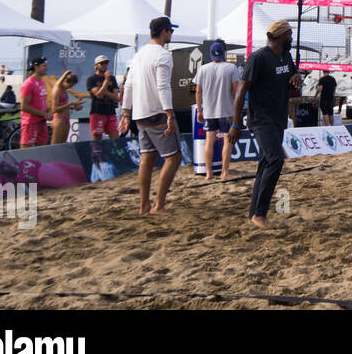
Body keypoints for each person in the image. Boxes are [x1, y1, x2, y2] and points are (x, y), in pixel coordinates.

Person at [234, 19, 301, 228]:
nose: (291, 38)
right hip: (261, 119)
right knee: (275, 160)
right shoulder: (258, 58)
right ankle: (259, 213)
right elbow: (240, 93)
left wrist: (297, 76)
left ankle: (255, 213)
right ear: (281, 36)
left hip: (278, 117)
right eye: (289, 34)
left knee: (265, 164)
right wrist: (236, 125)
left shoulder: (286, 56)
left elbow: (292, 78)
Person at [119, 16, 182, 216]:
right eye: (170, 31)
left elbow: (128, 85)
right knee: (174, 158)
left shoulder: (139, 54)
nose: (171, 34)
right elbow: (162, 86)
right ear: (164, 32)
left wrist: (126, 113)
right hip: (157, 112)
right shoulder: (163, 55)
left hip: (140, 114)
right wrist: (170, 113)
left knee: (147, 158)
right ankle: (159, 205)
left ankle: (144, 206)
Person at [194, 40, 242, 181]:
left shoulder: (203, 69)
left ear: (210, 54)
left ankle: (209, 174)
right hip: (226, 111)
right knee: (227, 141)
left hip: (209, 111)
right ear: (223, 53)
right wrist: (238, 111)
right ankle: (224, 173)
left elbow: (198, 92)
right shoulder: (231, 67)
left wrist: (199, 110)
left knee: (209, 141)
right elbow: (236, 91)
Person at [86, 55, 120, 140]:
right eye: (102, 63)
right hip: (97, 112)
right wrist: (106, 81)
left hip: (111, 112)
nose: (105, 65)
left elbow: (116, 97)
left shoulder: (112, 78)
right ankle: (97, 153)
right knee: (97, 142)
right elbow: (99, 95)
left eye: (106, 63)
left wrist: (104, 91)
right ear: (96, 65)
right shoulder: (92, 79)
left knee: (115, 139)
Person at [19, 57, 50, 147]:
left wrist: (48, 112)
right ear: (36, 67)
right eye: (44, 66)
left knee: (41, 149)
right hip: (30, 122)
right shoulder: (28, 84)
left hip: (41, 122)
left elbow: (42, 102)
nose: (46, 68)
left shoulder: (41, 81)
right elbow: (24, 106)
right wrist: (43, 114)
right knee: (26, 150)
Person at [48, 70, 82, 144]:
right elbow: (54, 109)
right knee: (55, 146)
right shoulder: (57, 90)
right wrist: (70, 104)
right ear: (65, 81)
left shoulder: (63, 90)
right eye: (70, 85)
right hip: (59, 120)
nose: (70, 87)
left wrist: (74, 107)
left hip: (66, 120)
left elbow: (62, 106)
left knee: (62, 146)